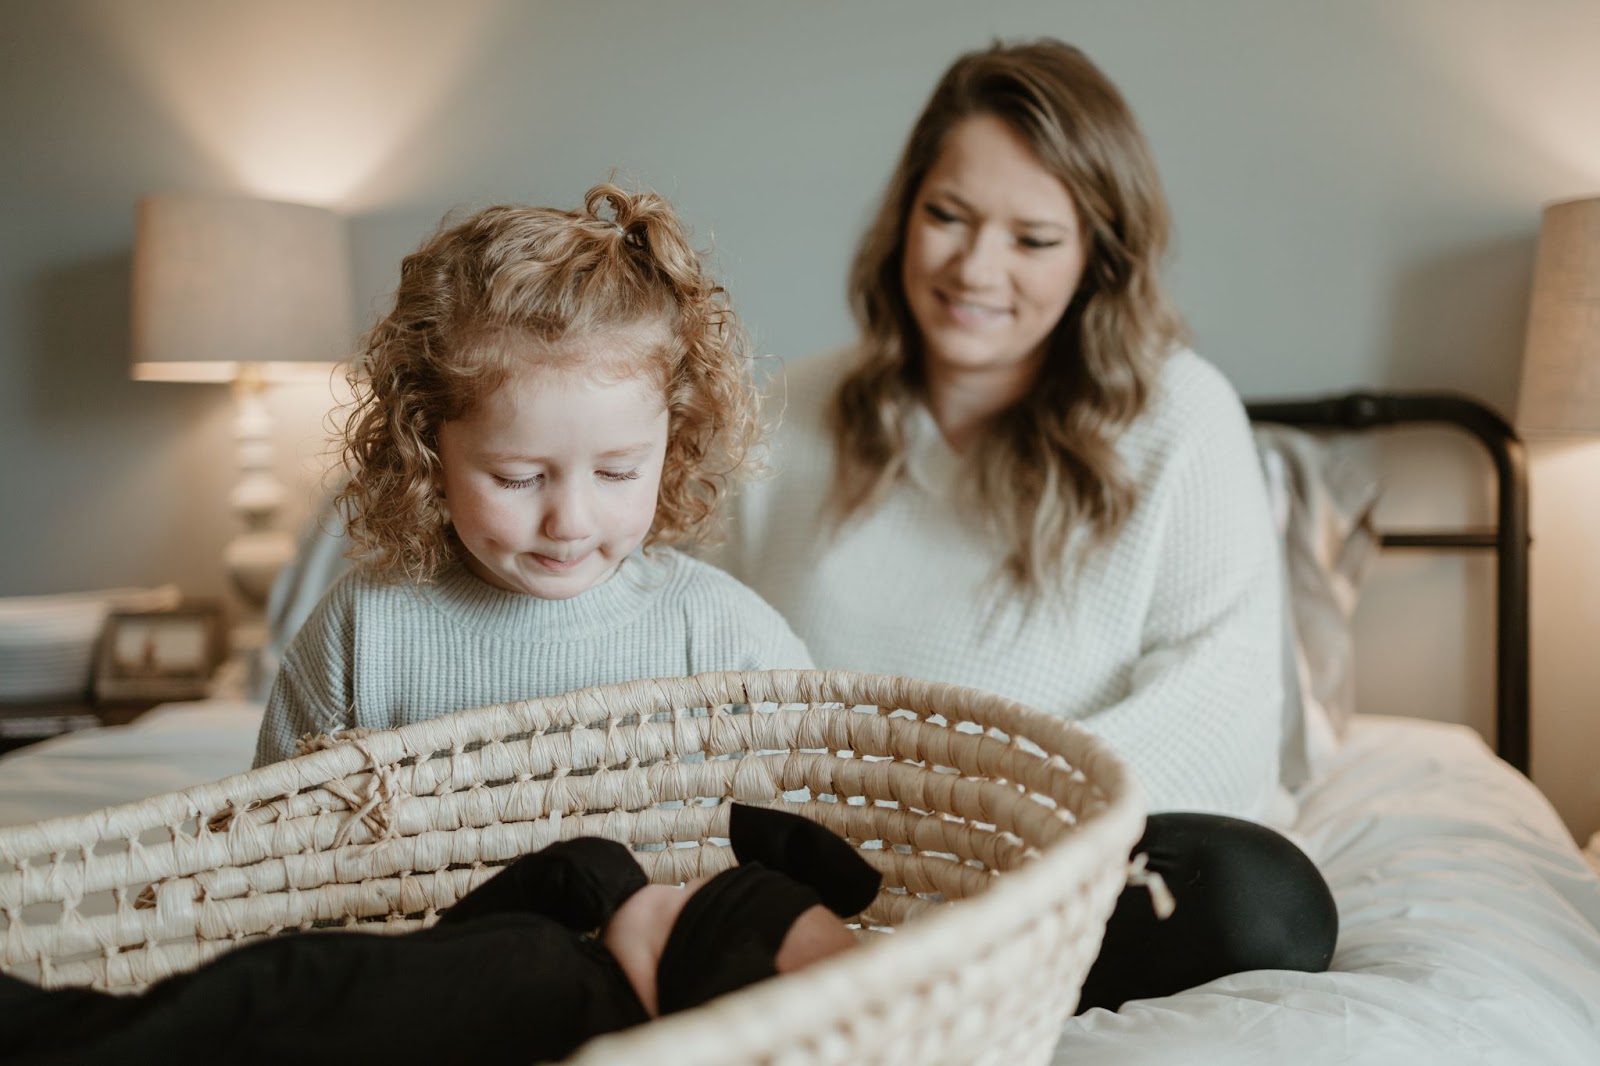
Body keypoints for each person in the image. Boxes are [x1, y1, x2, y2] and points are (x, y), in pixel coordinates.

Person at [710, 39, 1337, 1010]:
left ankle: (923, 971)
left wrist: (992, 831)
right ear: (904, 216)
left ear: (1096, 257)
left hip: (1058, 865)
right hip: (826, 862)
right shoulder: (792, 409)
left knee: (1265, 901)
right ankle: (892, 970)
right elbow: (695, 659)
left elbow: (1224, 709)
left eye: (1032, 239)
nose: (973, 268)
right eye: (946, 216)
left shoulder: (1179, 414)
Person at [252, 183, 811, 767]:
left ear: (670, 448)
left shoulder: (722, 632)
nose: (569, 523)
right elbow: (274, 838)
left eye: (617, 473)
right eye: (518, 479)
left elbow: (814, 817)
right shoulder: (361, 633)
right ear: (428, 453)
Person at [0, 804, 880, 1065]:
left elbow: (569, 871)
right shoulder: (557, 967)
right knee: (207, 1016)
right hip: (365, 986)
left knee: (227, 1013)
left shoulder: (558, 975)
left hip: (347, 989)